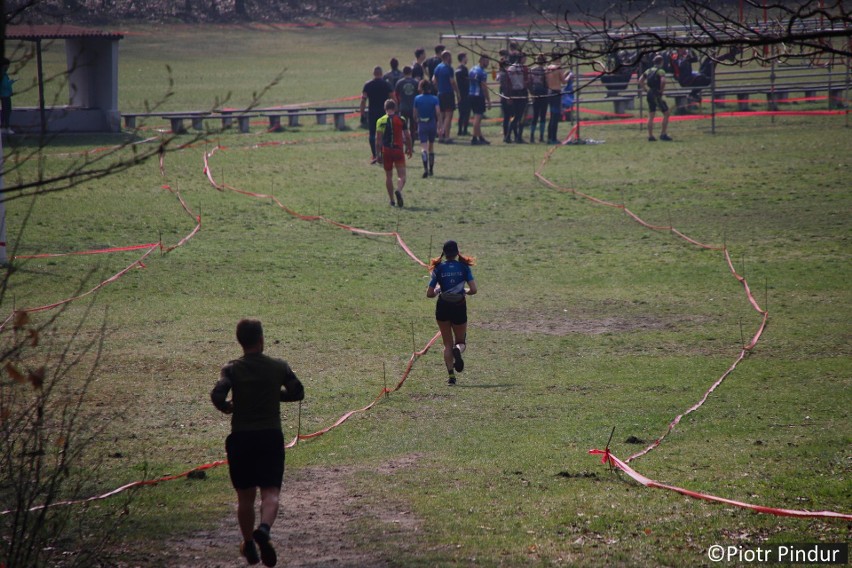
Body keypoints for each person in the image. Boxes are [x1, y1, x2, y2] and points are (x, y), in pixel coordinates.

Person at [211, 319, 305, 568]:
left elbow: (217, 395)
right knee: (270, 492)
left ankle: (248, 543)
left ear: (240, 341)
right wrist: (276, 395)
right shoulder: (278, 366)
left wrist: (228, 407)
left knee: (245, 497)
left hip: (241, 438)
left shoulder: (231, 369)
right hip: (270, 436)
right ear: (261, 339)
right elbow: (298, 392)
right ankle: (264, 529)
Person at [426, 240, 477, 386]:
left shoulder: (438, 268)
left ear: (444, 253)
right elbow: (473, 290)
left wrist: (437, 290)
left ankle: (451, 377)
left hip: (442, 307)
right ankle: (457, 350)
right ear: (457, 252)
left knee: (446, 344)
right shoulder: (464, 267)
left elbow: (429, 294)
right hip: (459, 306)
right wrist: (464, 291)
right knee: (460, 342)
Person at [375, 99, 413, 207]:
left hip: (386, 151)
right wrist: (409, 148)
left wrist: (378, 154)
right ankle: (399, 190)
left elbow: (378, 140)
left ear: (385, 108)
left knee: (388, 176)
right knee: (402, 176)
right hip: (398, 150)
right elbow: (408, 136)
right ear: (395, 108)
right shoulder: (401, 119)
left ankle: (392, 200)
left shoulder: (380, 121)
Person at [359, 66, 393, 164]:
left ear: (374, 73)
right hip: (384, 113)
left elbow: (363, 100)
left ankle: (374, 155)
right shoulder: (386, 84)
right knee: (385, 134)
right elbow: (392, 98)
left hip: (372, 113)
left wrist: (362, 114)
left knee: (372, 134)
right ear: (381, 73)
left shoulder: (368, 85)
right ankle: (383, 154)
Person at [637, 54, 672, 142]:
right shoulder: (661, 71)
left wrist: (645, 89)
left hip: (649, 93)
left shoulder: (649, 70)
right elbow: (663, 81)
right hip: (656, 93)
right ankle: (663, 134)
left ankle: (650, 136)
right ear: (661, 62)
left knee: (651, 115)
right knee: (666, 113)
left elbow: (640, 80)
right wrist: (661, 91)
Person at [413, 80, 441, 178]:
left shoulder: (417, 99)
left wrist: (416, 121)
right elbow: (438, 112)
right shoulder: (435, 99)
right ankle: (431, 169)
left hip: (422, 124)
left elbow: (415, 113)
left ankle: (425, 169)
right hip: (432, 123)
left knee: (423, 147)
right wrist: (439, 125)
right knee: (431, 147)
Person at [432, 50, 460, 144]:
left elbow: (434, 80)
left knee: (441, 116)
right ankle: (447, 136)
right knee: (448, 115)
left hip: (440, 94)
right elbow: (452, 82)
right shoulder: (448, 68)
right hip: (448, 93)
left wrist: (439, 88)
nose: (451, 59)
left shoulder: (437, 67)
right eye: (450, 57)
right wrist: (457, 92)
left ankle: (440, 136)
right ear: (447, 57)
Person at [467, 54, 491, 146]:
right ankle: (474, 138)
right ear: (481, 60)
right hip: (478, 96)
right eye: (486, 61)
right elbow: (484, 87)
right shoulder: (482, 72)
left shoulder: (472, 69)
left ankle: (480, 137)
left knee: (477, 117)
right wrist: (488, 100)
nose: (487, 63)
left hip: (471, 94)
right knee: (478, 118)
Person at [506, 53, 530, 143]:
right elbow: (526, 81)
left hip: (513, 92)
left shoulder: (510, 68)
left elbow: (508, 83)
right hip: (522, 92)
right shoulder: (524, 68)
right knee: (521, 116)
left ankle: (509, 136)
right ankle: (518, 137)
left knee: (515, 116)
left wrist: (509, 96)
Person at [545, 56, 568, 144]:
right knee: (555, 116)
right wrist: (568, 76)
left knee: (551, 116)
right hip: (556, 93)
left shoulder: (548, 68)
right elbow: (564, 81)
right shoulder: (559, 68)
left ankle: (549, 137)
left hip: (550, 92)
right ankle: (553, 138)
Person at [394, 65, 419, 142]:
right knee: (413, 127)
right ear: (411, 72)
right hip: (413, 107)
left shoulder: (399, 82)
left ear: (403, 72)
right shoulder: (415, 82)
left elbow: (396, 95)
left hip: (403, 107)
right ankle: (412, 145)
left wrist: (398, 105)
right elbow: (418, 94)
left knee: (403, 127)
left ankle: (404, 142)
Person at [528, 54, 549, 143]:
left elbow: (529, 82)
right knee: (543, 115)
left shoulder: (532, 70)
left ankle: (532, 136)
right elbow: (547, 83)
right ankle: (541, 136)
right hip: (544, 92)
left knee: (535, 115)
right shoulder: (546, 71)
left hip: (535, 92)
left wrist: (531, 93)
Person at [455, 52, 471, 137]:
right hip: (466, 93)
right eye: (466, 57)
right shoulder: (464, 69)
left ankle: (459, 130)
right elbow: (467, 81)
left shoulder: (457, 69)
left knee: (461, 113)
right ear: (463, 58)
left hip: (460, 93)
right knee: (467, 113)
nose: (467, 59)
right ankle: (464, 130)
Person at [1, 58, 16, 135]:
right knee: (6, 111)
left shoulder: (4, 74)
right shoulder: (2, 74)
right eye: (7, 66)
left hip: (6, 94)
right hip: (5, 95)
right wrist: (12, 81)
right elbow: (5, 85)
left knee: (6, 111)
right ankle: (5, 127)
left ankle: (5, 127)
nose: (7, 68)